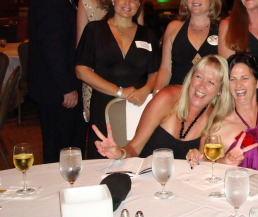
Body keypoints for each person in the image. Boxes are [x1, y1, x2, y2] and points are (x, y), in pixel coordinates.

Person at [76, 0, 160, 159]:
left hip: (138, 107)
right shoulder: (95, 30)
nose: (128, 2)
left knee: (137, 159)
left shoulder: (148, 34)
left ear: (139, 5)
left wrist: (146, 90)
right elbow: (81, 70)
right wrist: (119, 92)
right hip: (104, 105)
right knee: (102, 160)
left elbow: (155, 72)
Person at [92, 55, 233, 160]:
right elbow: (134, 147)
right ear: (191, 78)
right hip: (146, 177)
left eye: (211, 82)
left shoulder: (214, 117)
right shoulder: (167, 98)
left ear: (220, 90)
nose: (202, 86)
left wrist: (198, 159)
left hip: (182, 187)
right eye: (199, 77)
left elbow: (205, 162)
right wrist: (120, 153)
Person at [187, 52, 258, 181]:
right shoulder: (217, 124)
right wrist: (224, 160)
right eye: (232, 79)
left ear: (257, 83)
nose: (238, 85)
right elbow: (205, 167)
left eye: (244, 78)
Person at [28, 0, 86, 163]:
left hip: (55, 87)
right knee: (59, 146)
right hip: (56, 90)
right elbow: (51, 46)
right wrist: (67, 87)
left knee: (65, 143)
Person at [76, 0, 136, 122]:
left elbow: (81, 50)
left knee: (100, 124)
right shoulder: (133, 4)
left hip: (96, 77)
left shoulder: (86, 1)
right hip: (129, 75)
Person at [154, 0, 221, 91]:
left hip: (210, 101)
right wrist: (156, 93)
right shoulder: (173, 28)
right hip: (176, 97)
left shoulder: (222, 29)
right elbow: (165, 69)